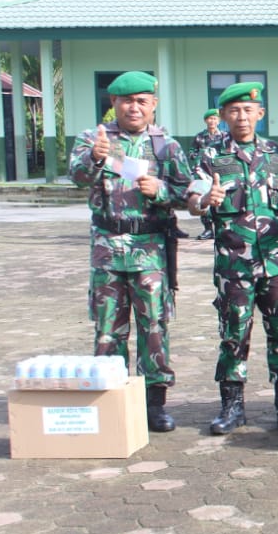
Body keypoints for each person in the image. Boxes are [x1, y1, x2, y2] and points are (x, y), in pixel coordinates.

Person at [68, 71, 191, 433]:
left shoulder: (167, 146)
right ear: (113, 104)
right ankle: (110, 399)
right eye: (126, 101)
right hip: (107, 250)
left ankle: (155, 404)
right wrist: (93, 157)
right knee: (108, 328)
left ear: (153, 105)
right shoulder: (94, 138)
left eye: (141, 101)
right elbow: (76, 178)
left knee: (154, 326)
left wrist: (161, 190)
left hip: (150, 251)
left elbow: (188, 193)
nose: (133, 107)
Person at [187, 83, 278, 435]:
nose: (241, 116)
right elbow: (193, 201)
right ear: (223, 116)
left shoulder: (276, 153)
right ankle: (232, 406)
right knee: (233, 334)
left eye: (248, 110)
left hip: (275, 263)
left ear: (260, 114)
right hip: (233, 265)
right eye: (233, 110)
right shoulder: (210, 156)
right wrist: (204, 200)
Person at [190, 108, 226, 240]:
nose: (212, 121)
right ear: (206, 121)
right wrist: (202, 155)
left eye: (215, 119)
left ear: (219, 121)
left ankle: (220, 228)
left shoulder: (223, 137)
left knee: (220, 200)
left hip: (219, 172)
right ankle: (208, 229)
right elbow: (192, 153)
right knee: (204, 200)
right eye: (210, 119)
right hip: (203, 173)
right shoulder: (199, 137)